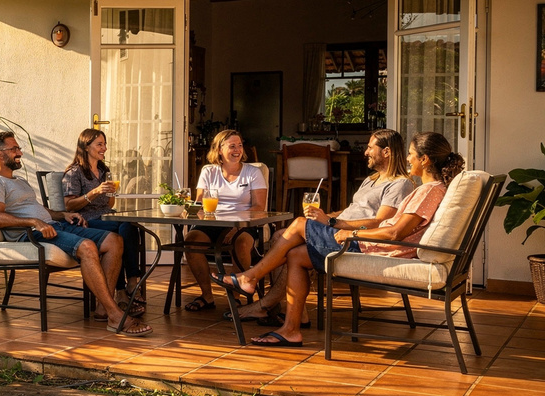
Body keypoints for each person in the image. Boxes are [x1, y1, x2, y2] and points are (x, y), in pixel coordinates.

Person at [231, 131, 464, 348]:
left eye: (412, 154)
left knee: (299, 226)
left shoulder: (427, 190)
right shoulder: (425, 189)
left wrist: (349, 231)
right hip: (370, 243)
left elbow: (394, 232)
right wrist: (332, 220)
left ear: (425, 160)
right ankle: (290, 329)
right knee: (296, 254)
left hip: (372, 247)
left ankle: (249, 277)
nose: (407, 158)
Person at [227, 129, 417, 325]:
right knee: (279, 236)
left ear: (386, 152)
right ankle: (294, 313)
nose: (366, 152)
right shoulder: (372, 179)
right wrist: (326, 216)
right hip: (339, 229)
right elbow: (354, 210)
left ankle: (258, 293)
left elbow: (380, 221)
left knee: (298, 228)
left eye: (370, 148)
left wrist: (333, 222)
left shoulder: (399, 184)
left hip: (355, 238)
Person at [0, 131, 151, 336]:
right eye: (14, 149)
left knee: (114, 240)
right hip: (31, 234)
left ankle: (101, 308)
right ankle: (115, 315)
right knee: (87, 246)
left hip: (54, 225)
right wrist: (35, 221)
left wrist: (64, 214)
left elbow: (42, 211)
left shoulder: (20, 182)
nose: (20, 153)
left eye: (19, 148)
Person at [181, 129, 268, 312]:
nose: (237, 150)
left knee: (241, 243)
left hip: (245, 222)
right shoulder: (208, 172)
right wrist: (185, 206)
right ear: (220, 150)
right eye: (232, 146)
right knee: (191, 241)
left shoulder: (253, 172)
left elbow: (259, 207)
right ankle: (207, 295)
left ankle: (235, 296)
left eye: (240, 145)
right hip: (214, 221)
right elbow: (200, 203)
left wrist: (236, 227)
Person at [61, 129, 144, 319]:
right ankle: (129, 285)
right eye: (99, 144)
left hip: (106, 217)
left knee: (130, 226)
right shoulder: (74, 173)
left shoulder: (104, 170)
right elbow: (70, 204)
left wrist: (111, 194)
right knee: (125, 228)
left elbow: (109, 205)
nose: (104, 148)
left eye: (104, 144)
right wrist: (95, 192)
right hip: (86, 222)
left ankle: (125, 288)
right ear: (85, 146)